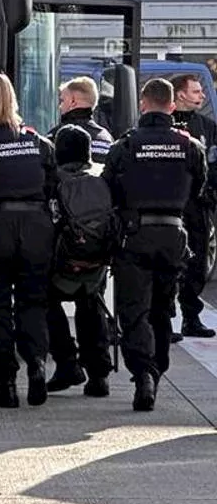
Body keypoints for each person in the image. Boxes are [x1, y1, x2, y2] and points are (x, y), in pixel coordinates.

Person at [105, 78, 206, 412]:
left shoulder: (126, 144)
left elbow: (107, 191)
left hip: (134, 236)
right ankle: (156, 370)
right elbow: (198, 191)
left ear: (143, 104)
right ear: (172, 106)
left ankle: (144, 372)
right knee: (162, 309)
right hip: (174, 235)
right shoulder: (189, 145)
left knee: (134, 312)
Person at [0, 73, 58, 409]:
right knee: (34, 303)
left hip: (0, 226)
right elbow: (52, 187)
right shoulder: (38, 142)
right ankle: (37, 366)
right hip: (36, 227)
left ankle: (5, 383)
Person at [45, 125, 116, 398]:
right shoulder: (102, 177)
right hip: (96, 260)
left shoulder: (53, 179)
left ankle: (66, 363)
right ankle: (99, 374)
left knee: (46, 303)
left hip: (62, 260)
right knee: (91, 305)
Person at [170, 73, 217, 341]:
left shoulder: (207, 126)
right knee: (169, 262)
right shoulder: (167, 124)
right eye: (196, 92)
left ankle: (191, 316)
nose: (201, 96)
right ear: (179, 95)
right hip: (171, 205)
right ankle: (165, 318)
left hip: (198, 205)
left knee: (197, 263)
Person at [52, 77, 115, 164]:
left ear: (73, 101)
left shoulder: (58, 135)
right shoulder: (106, 138)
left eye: (62, 100)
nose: (60, 106)